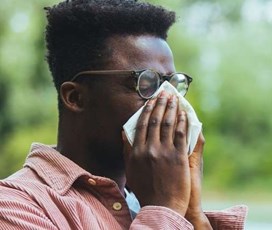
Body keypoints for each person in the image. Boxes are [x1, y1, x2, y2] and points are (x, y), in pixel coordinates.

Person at [0, 0, 247, 229]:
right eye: (146, 83)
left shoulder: (150, 203)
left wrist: (192, 214)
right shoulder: (16, 205)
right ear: (75, 98)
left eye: (172, 83)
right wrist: (163, 208)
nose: (169, 101)